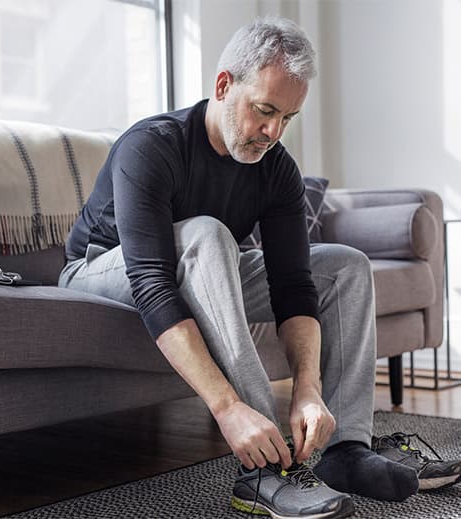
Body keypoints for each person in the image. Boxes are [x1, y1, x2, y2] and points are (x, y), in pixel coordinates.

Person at [59, 16, 459, 518]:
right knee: (207, 232)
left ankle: (343, 450)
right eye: (264, 111)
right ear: (224, 85)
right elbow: (153, 284)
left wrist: (308, 390)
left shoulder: (276, 168)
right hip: (103, 272)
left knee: (344, 266)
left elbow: (292, 286)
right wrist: (227, 408)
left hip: (202, 265)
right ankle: (264, 470)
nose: (273, 132)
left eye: (287, 118)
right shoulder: (151, 147)